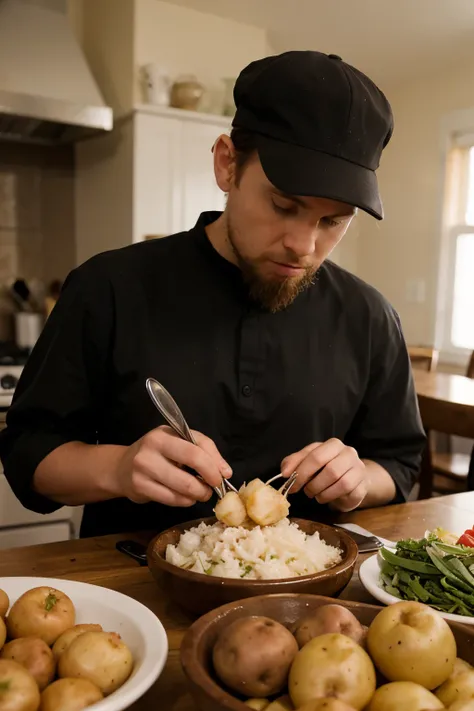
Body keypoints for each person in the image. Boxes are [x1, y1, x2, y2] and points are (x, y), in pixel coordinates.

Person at [0, 51, 426, 538]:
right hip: (134, 592)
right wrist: (118, 468)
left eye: (333, 221)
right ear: (227, 165)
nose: (305, 247)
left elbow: (398, 463)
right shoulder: (108, 288)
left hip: (315, 602)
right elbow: (26, 454)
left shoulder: (369, 316)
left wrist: (359, 480)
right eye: (284, 206)